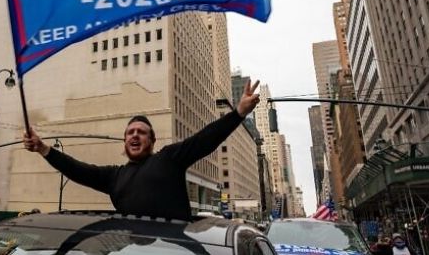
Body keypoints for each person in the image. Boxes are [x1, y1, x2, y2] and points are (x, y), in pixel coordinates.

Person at [24, 80, 260, 221]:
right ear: (124, 142)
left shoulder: (169, 158)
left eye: (141, 132)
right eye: (130, 132)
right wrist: (44, 149)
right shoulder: (113, 177)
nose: (135, 135)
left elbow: (205, 140)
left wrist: (238, 112)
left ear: (152, 140)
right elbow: (77, 170)